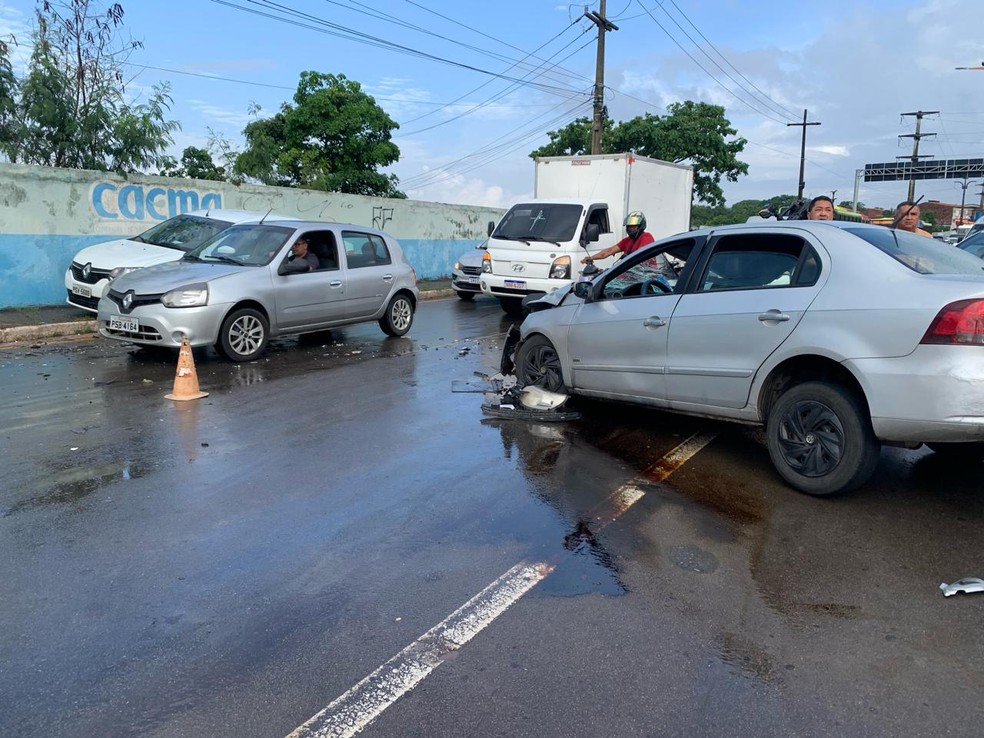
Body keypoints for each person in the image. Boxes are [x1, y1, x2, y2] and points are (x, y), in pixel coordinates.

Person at [581, 211, 654, 263]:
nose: (631, 229)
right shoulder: (627, 241)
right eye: (629, 227)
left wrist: (627, 258)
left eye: (634, 226)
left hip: (645, 275)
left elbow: (641, 255)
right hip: (630, 274)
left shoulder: (646, 237)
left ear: (640, 226)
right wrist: (591, 258)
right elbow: (609, 251)